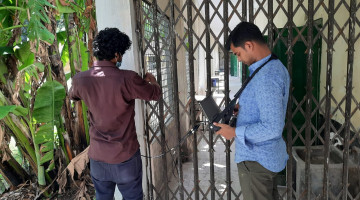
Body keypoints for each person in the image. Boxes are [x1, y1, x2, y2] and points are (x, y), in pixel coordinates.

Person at [69, 28, 161, 200]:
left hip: (98, 158)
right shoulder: (128, 78)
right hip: (125, 158)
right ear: (117, 55)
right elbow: (155, 94)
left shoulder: (80, 80)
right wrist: (152, 80)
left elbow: (72, 96)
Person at [214, 22, 290, 200]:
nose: (238, 59)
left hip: (257, 161)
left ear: (249, 45)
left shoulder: (266, 77)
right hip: (264, 159)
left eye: (238, 54)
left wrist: (233, 132)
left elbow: (272, 127)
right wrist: (245, 108)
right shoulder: (271, 66)